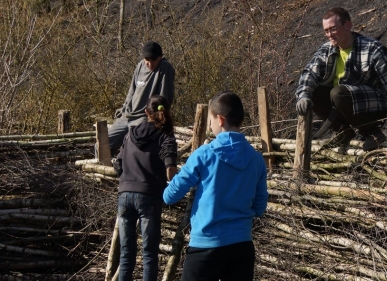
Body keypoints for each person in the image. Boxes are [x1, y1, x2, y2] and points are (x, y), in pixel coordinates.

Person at [163, 91, 268, 281]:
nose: (210, 125)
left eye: (210, 120)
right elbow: (260, 207)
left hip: (206, 246)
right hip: (241, 246)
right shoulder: (256, 159)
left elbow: (170, 195)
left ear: (220, 120)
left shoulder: (204, 154)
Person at [295, 7, 387, 151]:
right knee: (315, 91)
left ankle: (372, 133)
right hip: (342, 104)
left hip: (372, 106)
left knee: (338, 92)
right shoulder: (326, 50)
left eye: (333, 29)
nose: (329, 35)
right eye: (326, 31)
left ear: (348, 25)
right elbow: (309, 73)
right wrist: (303, 95)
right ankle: (343, 132)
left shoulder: (371, 49)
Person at [113, 95, 178, 281]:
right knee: (149, 255)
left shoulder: (130, 134)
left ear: (145, 112)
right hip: (149, 197)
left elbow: (118, 165)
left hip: (124, 196)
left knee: (126, 254)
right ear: (166, 111)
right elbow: (170, 171)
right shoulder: (166, 136)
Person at [101, 41, 175, 159]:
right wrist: (125, 107)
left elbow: (164, 98)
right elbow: (132, 90)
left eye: (153, 59)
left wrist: (155, 118)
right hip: (127, 115)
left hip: (143, 118)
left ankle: (125, 173)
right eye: (147, 59)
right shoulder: (140, 65)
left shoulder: (165, 68)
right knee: (101, 145)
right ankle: (106, 172)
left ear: (160, 57)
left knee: (132, 150)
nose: (149, 63)